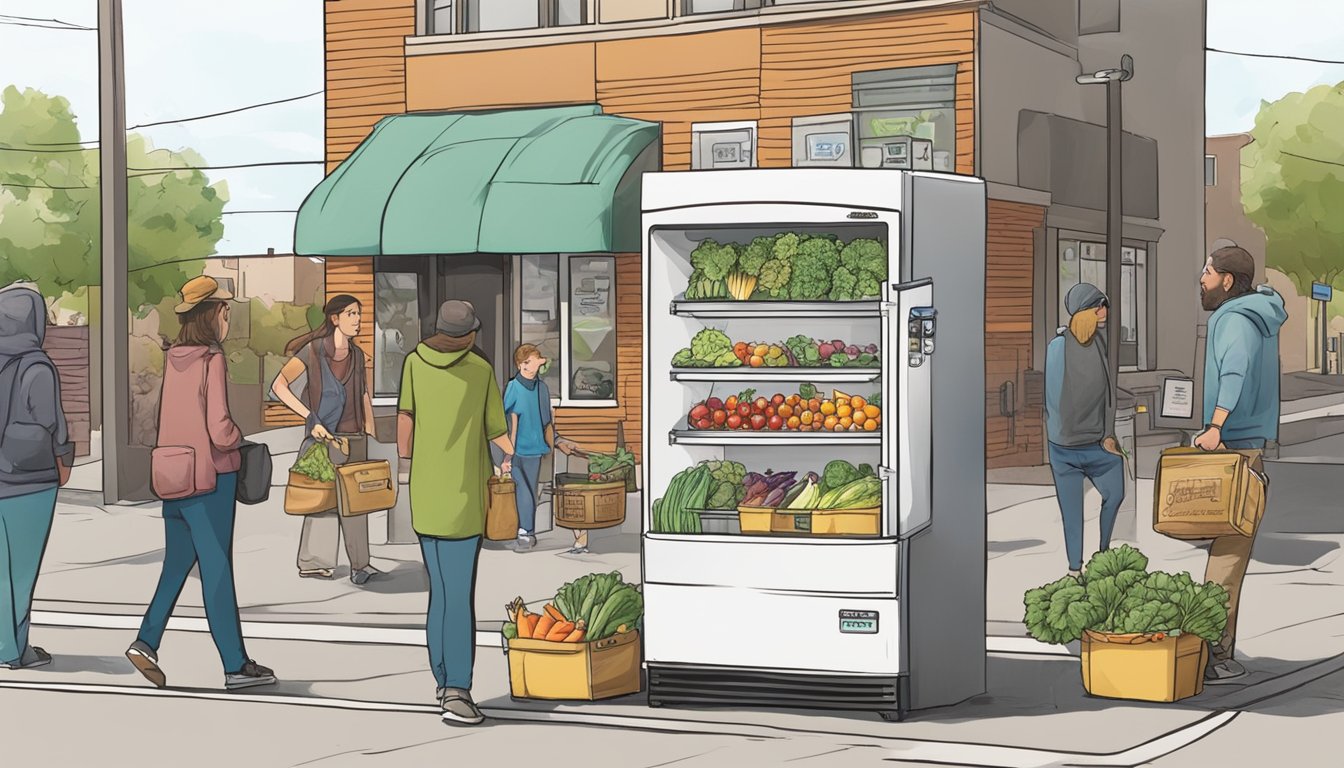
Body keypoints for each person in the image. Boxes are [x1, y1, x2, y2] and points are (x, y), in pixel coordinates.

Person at [126, 276, 275, 690]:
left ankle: (146, 641)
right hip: (211, 477)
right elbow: (219, 427)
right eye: (225, 312)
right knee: (217, 569)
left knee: (176, 566)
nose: (228, 318)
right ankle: (235, 665)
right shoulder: (212, 360)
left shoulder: (174, 358)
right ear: (212, 315)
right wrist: (240, 440)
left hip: (173, 475)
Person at [398, 300, 514, 726]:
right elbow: (497, 431)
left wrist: (417, 460)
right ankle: (458, 691)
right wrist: (511, 455)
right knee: (460, 595)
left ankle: (441, 679)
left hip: (426, 494)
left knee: (439, 594)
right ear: (469, 335)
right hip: (466, 496)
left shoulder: (413, 363)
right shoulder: (480, 370)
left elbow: (404, 429)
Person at [1194, 245, 1287, 684]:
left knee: (1226, 556)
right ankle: (1214, 647)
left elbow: (1235, 370)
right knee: (1228, 551)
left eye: (1208, 272)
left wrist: (1215, 424)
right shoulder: (1260, 316)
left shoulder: (1232, 319)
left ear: (1227, 280)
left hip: (1232, 448)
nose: (1202, 277)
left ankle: (1212, 651)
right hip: (1246, 446)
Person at [271, 295, 379, 584]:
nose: (358, 319)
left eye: (359, 313)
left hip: (355, 436)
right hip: (325, 436)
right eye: (351, 313)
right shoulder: (313, 351)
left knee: (356, 502)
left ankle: (360, 565)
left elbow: (362, 394)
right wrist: (309, 418)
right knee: (322, 499)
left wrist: (370, 431)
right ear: (335, 318)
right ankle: (316, 562)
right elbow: (278, 386)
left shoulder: (357, 355)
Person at [0, 281, 73, 671]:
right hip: (30, 480)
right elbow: (54, 423)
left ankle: (4, 645)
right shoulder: (37, 364)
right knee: (23, 569)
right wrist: (65, 459)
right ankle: (16, 649)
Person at [1044, 283, 1126, 577]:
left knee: (1115, 494)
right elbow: (1053, 398)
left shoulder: (1099, 343)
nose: (1105, 312)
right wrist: (1063, 437)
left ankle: (1101, 555)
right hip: (1065, 447)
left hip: (1098, 444)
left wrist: (1107, 433)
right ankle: (1074, 569)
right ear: (1084, 312)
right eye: (1099, 307)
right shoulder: (1058, 347)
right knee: (1072, 512)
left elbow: (1107, 392)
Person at [503, 344, 577, 552]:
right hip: (519, 448)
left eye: (538, 359)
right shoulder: (520, 387)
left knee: (526, 491)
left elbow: (544, 421)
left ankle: (526, 533)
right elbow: (505, 419)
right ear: (522, 364)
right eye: (535, 359)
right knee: (525, 491)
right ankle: (526, 532)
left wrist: (558, 441)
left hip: (528, 449)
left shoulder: (536, 388)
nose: (539, 362)